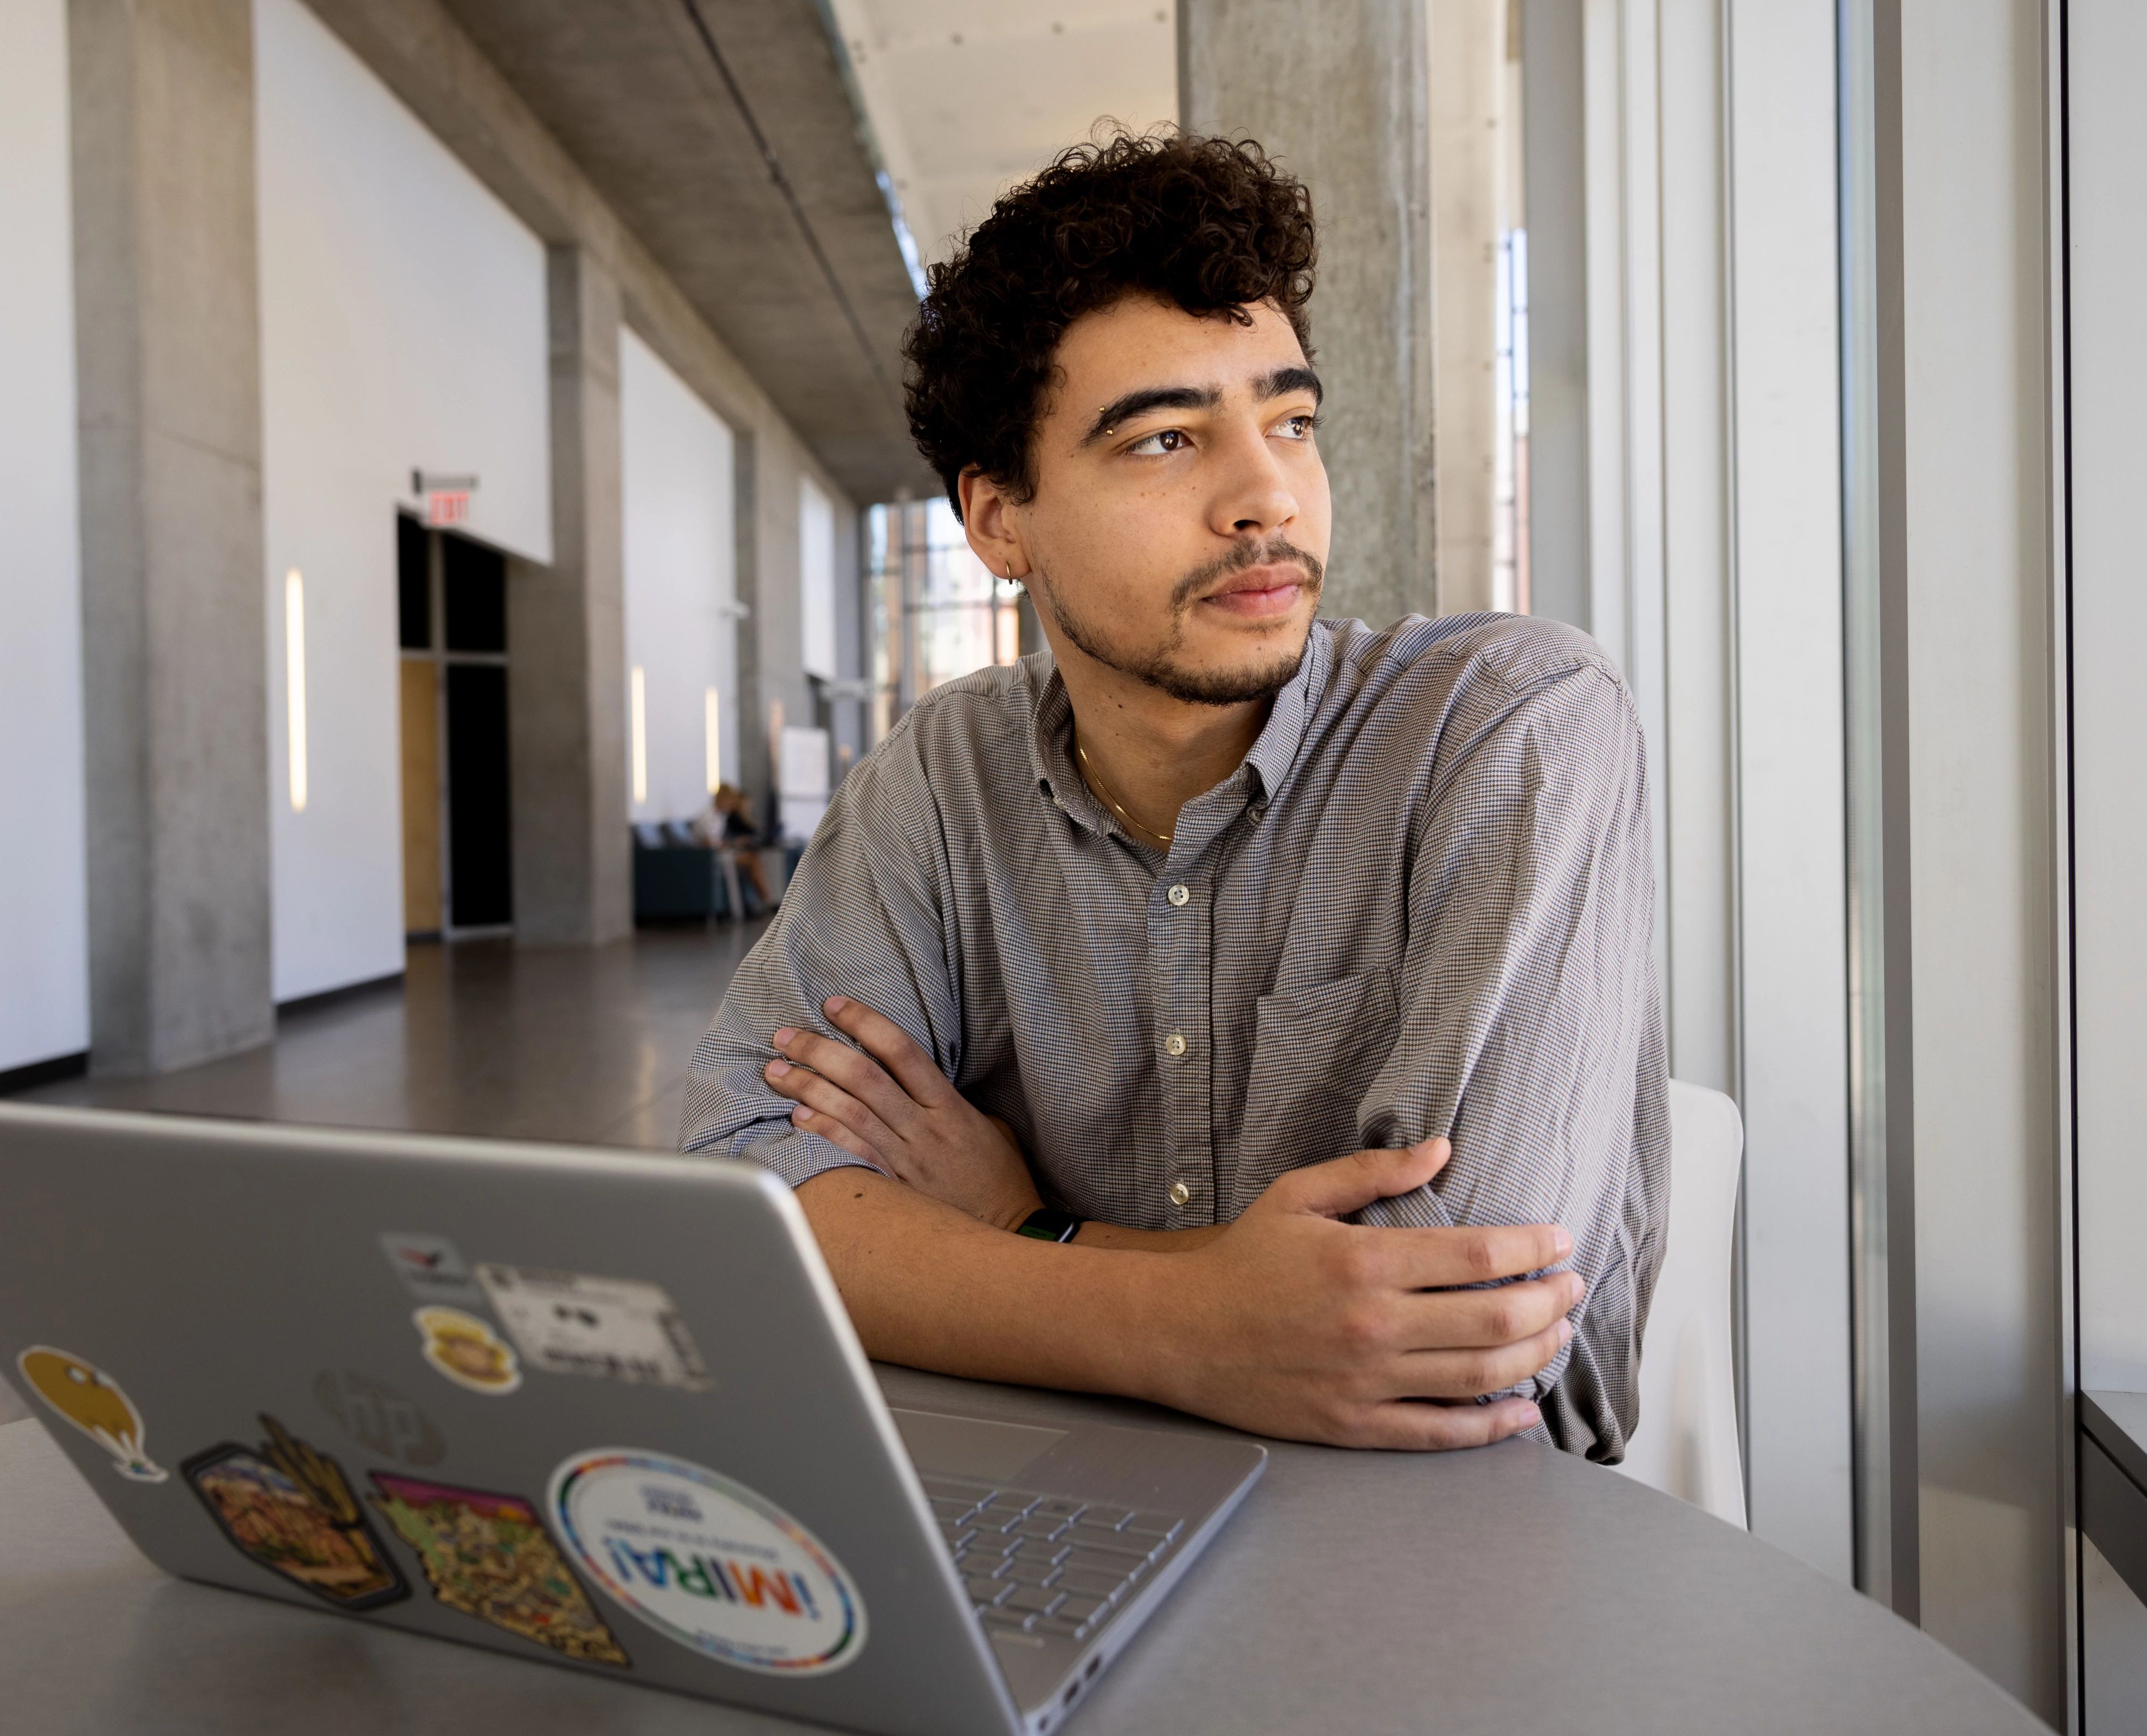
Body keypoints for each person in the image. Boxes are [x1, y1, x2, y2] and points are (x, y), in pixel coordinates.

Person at [681, 132, 1666, 1458]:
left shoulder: (1509, 725)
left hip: (1451, 1530)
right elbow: (743, 1189)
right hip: (1058, 1467)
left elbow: (1453, 1320)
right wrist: (1202, 1308)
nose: (1265, 493)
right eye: (1163, 440)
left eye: (1290, 420)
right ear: (997, 520)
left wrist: (1033, 1231)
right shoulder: (945, 774)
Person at [700, 783, 774, 914]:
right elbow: (709, 844)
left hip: (722, 854)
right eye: (729, 800)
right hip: (711, 859)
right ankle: (767, 900)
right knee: (752, 860)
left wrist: (733, 843)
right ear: (721, 798)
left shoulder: (720, 817)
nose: (731, 804)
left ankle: (764, 900)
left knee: (754, 857)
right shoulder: (708, 818)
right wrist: (733, 844)